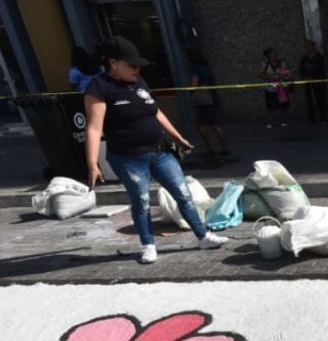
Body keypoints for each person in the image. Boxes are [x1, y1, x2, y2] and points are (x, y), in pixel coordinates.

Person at [84, 36, 228, 264]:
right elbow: (93, 128)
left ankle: (204, 236)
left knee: (183, 194)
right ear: (113, 63)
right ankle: (148, 244)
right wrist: (92, 163)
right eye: (131, 65)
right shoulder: (99, 88)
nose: (137, 69)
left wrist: (177, 136)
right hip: (128, 158)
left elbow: (156, 111)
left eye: (139, 65)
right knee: (141, 202)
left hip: (160, 152)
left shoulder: (139, 82)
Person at [187, 50, 229, 162]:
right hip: (213, 97)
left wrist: (190, 89)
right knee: (216, 124)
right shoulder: (207, 68)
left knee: (201, 124)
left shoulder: (195, 69)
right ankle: (224, 147)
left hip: (203, 99)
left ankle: (209, 148)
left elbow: (194, 85)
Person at [256, 47, 291, 128]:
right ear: (268, 55)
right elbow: (259, 74)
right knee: (270, 106)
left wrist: (284, 74)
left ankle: (284, 122)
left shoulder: (282, 62)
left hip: (281, 86)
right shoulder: (265, 63)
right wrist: (269, 77)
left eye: (275, 52)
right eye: (273, 53)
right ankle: (270, 123)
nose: (275, 54)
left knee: (283, 105)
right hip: (270, 87)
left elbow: (287, 72)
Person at [298, 39, 328, 124]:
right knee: (309, 100)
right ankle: (312, 118)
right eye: (306, 46)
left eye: (309, 45)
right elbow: (301, 69)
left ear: (313, 46)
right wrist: (304, 77)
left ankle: (323, 117)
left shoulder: (319, 57)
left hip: (318, 82)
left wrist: (313, 75)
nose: (307, 48)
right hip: (308, 82)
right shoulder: (304, 58)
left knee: (320, 99)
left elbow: (321, 69)